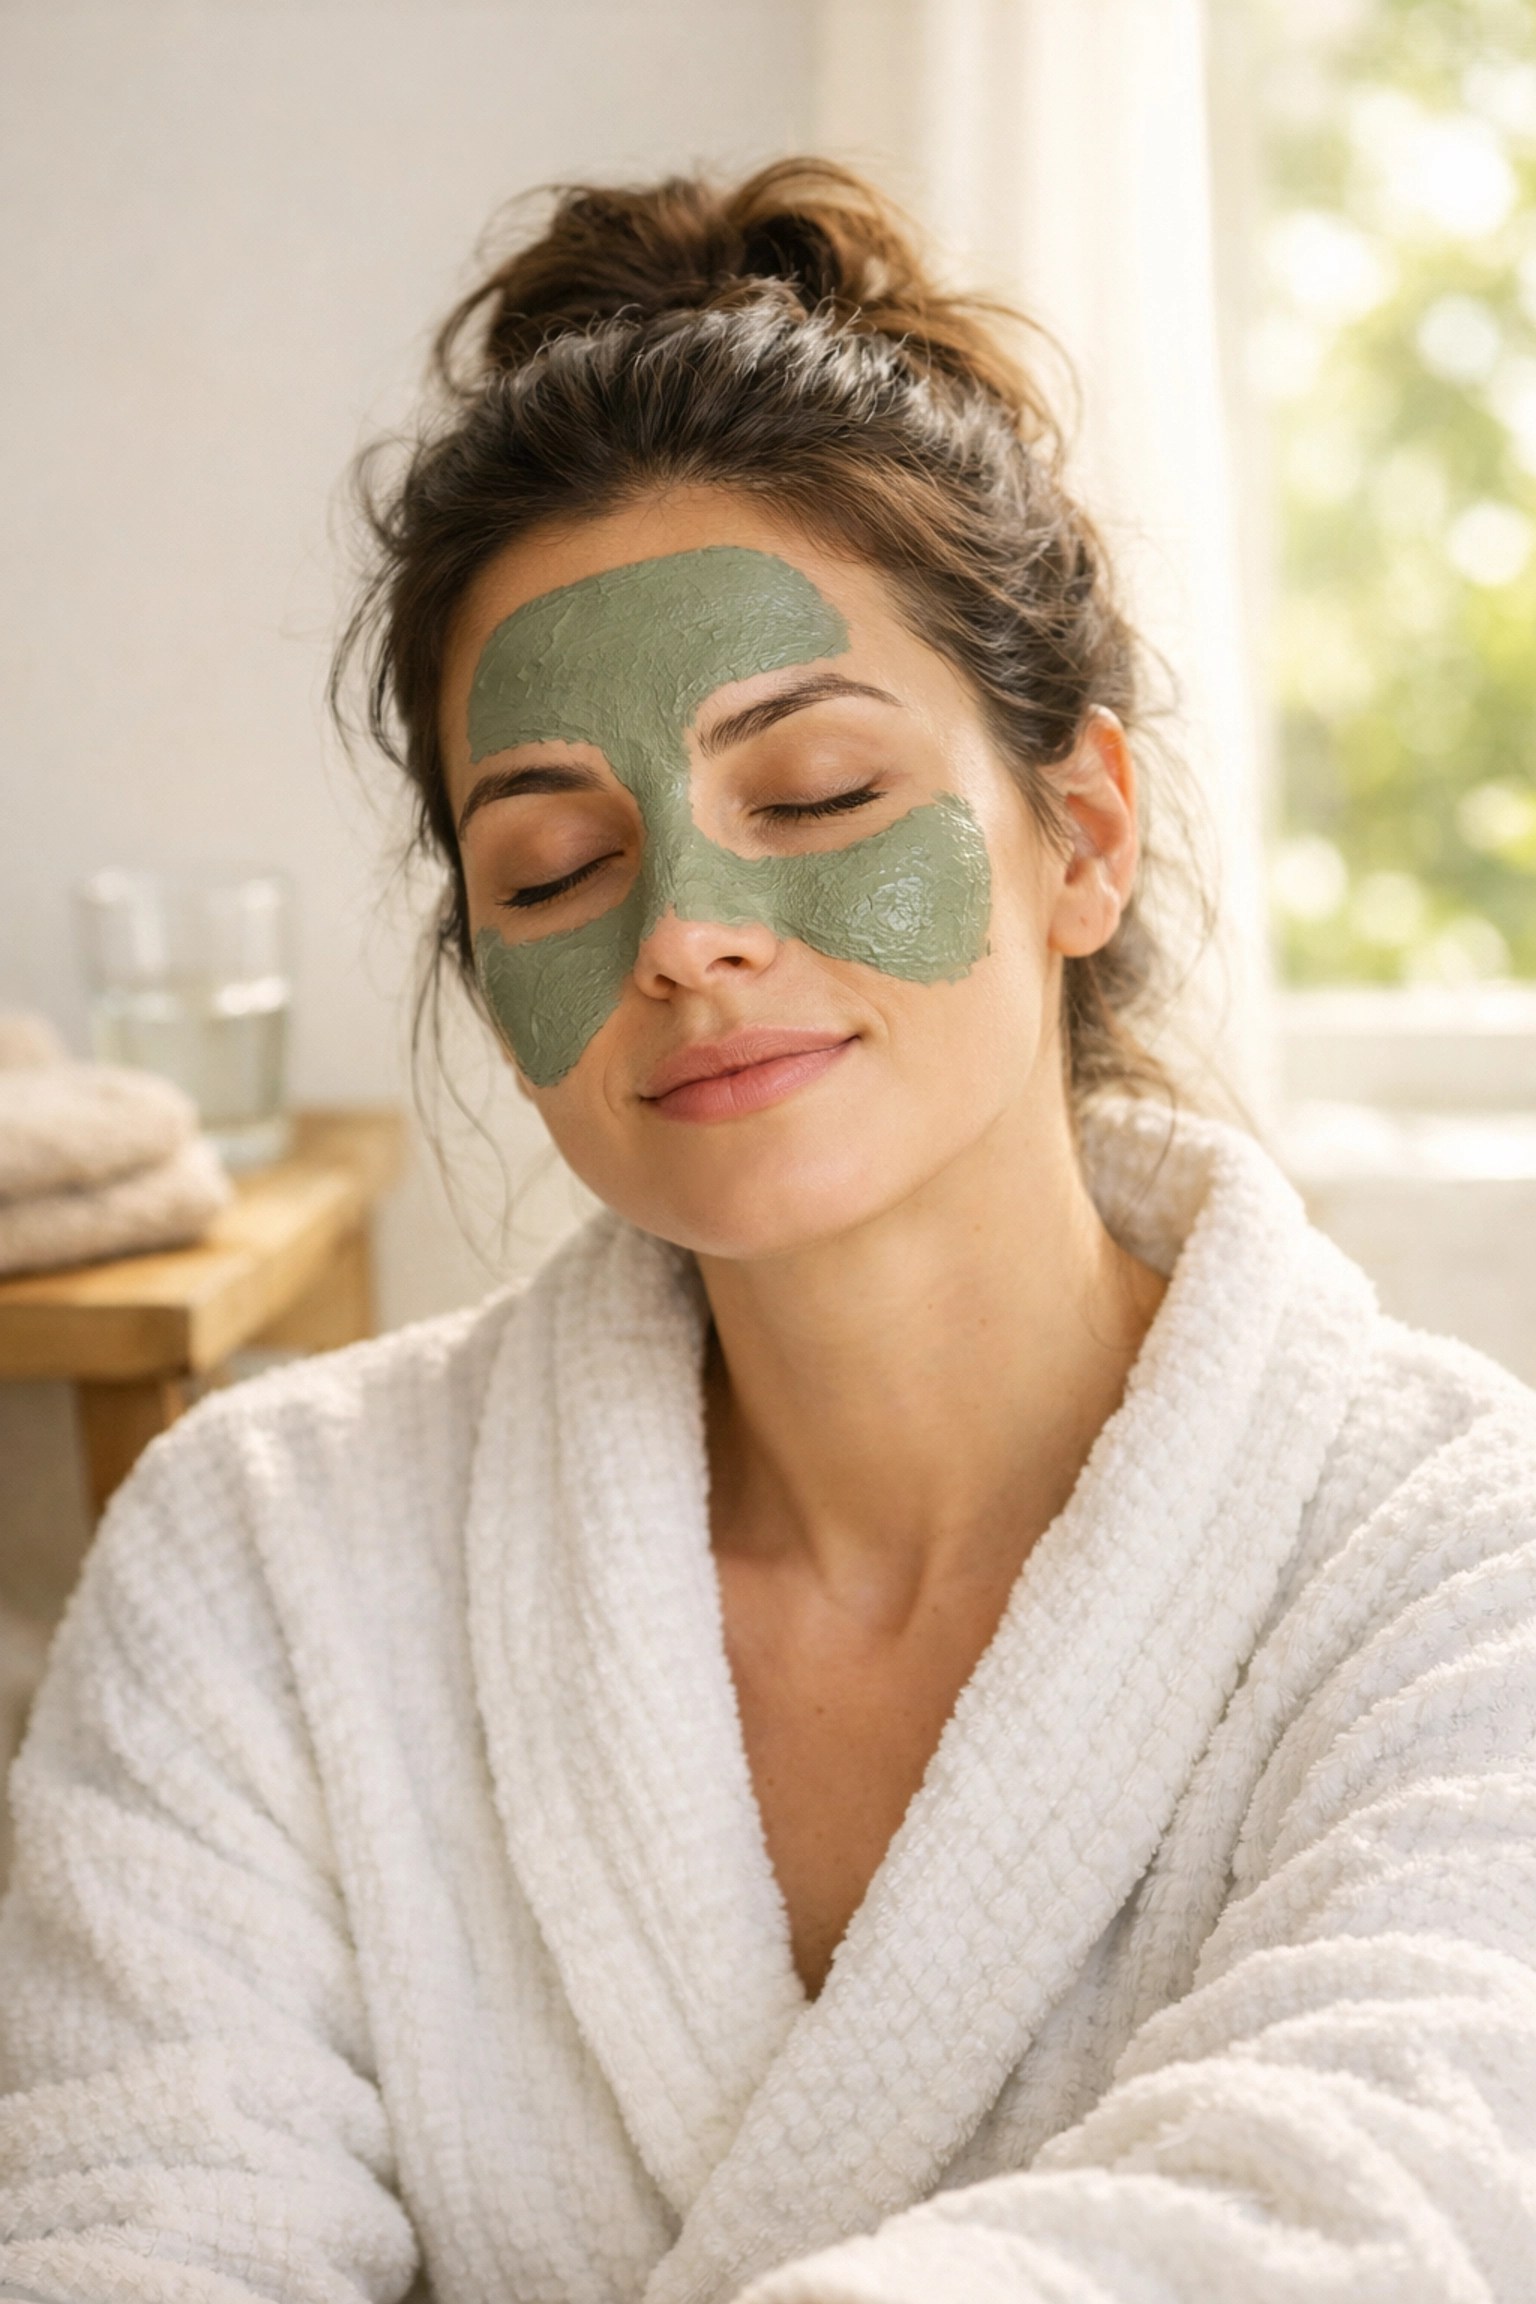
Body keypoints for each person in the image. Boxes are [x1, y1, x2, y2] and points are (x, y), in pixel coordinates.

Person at [2, 159, 1534, 2304]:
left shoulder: (1462, 1562)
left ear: (1078, 834)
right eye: (549, 867)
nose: (692, 938)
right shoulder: (259, 1566)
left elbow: (1355, 2220)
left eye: (813, 798)